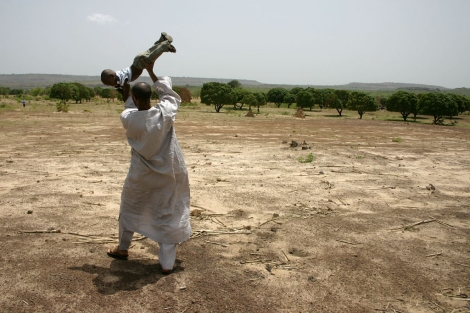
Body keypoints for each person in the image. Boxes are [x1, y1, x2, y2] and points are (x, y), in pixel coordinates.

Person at [106, 60, 191, 275]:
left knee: (130, 207)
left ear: (135, 98)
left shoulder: (128, 119)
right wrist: (151, 70)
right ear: (151, 98)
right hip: (170, 173)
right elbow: (167, 93)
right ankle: (166, 264)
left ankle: (123, 248)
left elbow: (128, 107)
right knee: (168, 212)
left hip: (141, 175)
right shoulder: (165, 113)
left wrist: (124, 88)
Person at [101, 32, 177, 90]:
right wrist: (117, 86)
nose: (111, 85)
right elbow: (118, 86)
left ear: (112, 76)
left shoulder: (120, 78)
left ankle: (164, 46)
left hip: (139, 64)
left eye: (110, 83)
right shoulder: (117, 78)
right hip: (136, 61)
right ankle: (162, 40)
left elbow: (126, 85)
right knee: (151, 51)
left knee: (152, 57)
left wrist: (123, 87)